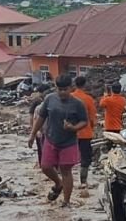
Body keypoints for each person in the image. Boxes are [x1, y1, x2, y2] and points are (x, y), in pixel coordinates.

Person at [28, 75, 87, 207]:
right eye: (59, 89)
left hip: (68, 142)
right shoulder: (50, 99)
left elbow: (84, 121)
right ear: (56, 88)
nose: (62, 92)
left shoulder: (78, 104)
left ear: (71, 88)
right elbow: (41, 118)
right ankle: (58, 183)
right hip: (51, 139)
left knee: (66, 170)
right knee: (45, 167)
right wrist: (32, 134)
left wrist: (73, 127)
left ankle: (66, 201)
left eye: (65, 89)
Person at [71, 75, 98, 187]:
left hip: (69, 133)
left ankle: (66, 180)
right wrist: (92, 128)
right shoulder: (88, 99)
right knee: (85, 157)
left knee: (68, 157)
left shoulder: (69, 97)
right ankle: (83, 181)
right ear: (85, 85)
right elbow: (92, 117)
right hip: (85, 133)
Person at [28, 84, 51, 165]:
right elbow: (32, 116)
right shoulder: (37, 102)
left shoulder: (52, 102)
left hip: (49, 131)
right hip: (41, 130)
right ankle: (43, 165)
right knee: (41, 149)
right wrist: (34, 130)